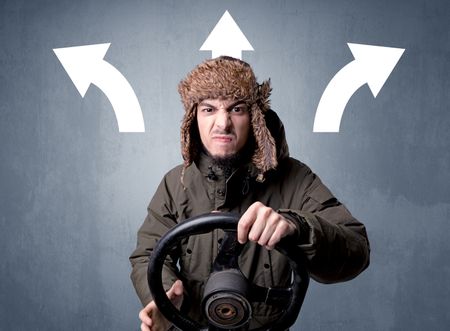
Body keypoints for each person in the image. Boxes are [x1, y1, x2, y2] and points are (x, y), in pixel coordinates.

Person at [130, 56, 370, 331]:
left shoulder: (295, 179)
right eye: (209, 109)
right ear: (193, 118)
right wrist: (165, 299)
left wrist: (298, 226)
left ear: (255, 117)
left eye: (236, 109)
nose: (222, 124)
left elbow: (357, 248)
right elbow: (148, 255)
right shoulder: (176, 183)